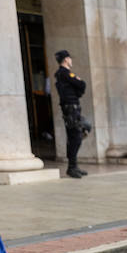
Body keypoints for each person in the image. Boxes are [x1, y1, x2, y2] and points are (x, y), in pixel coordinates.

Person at [54, 49, 88, 178]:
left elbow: (79, 88)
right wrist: (78, 85)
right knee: (76, 136)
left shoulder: (61, 75)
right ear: (66, 59)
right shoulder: (65, 73)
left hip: (72, 107)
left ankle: (73, 166)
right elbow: (81, 84)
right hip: (71, 108)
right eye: (70, 58)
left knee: (77, 135)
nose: (71, 60)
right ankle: (72, 167)